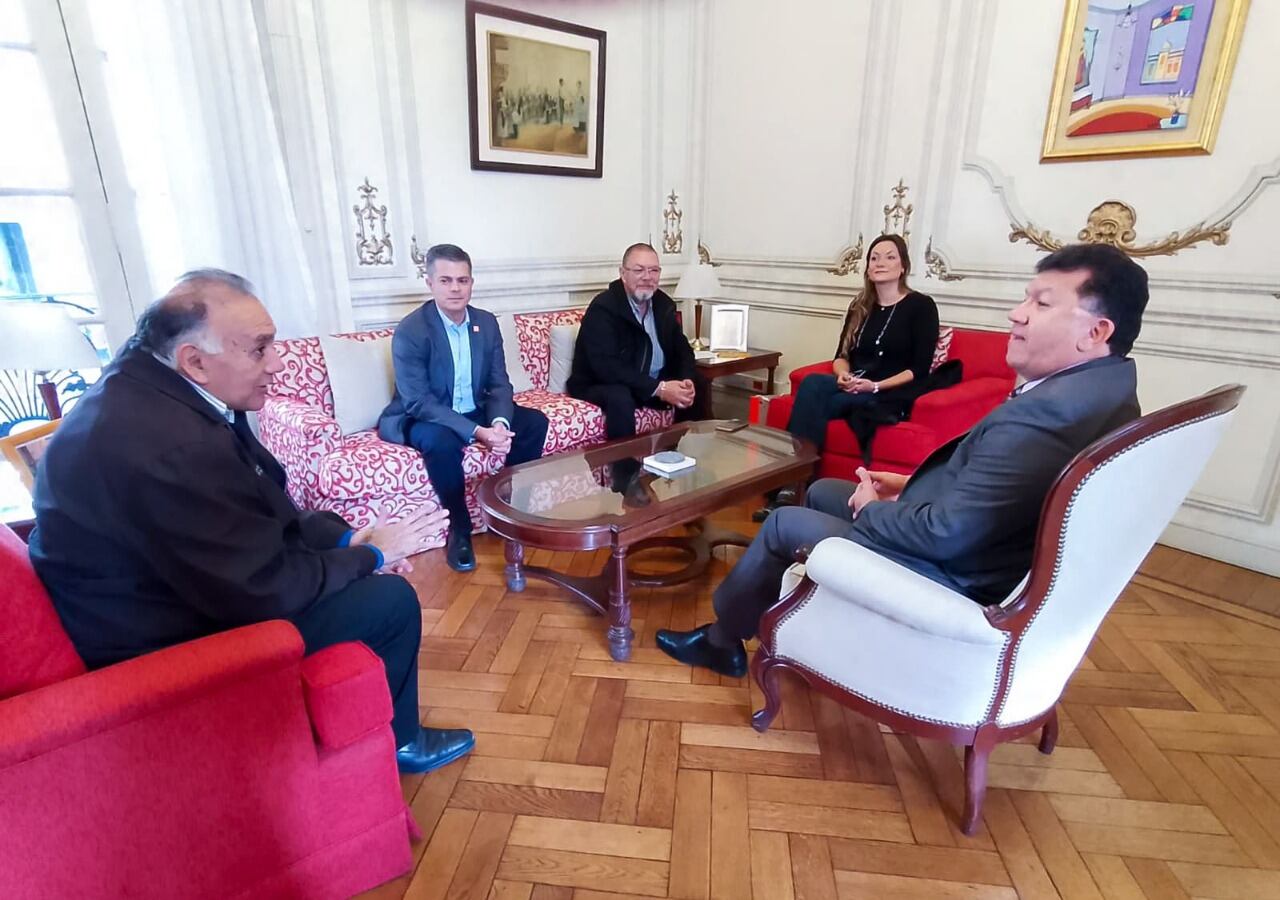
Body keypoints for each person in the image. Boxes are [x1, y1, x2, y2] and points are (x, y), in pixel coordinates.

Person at [28, 269, 474, 773]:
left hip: (177, 586)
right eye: (260, 349)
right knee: (390, 601)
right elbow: (261, 587)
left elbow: (263, 505)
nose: (278, 364)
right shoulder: (174, 446)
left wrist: (350, 539)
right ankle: (403, 743)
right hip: (158, 642)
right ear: (194, 360)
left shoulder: (155, 386)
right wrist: (370, 557)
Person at [656, 243, 1149, 676]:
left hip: (949, 571)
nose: (1016, 315)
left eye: (1040, 304)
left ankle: (723, 642)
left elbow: (945, 533)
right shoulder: (1104, 394)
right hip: (973, 539)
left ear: (1096, 331)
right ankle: (803, 607)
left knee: (785, 523)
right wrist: (910, 484)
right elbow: (992, 493)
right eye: (1025, 298)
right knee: (827, 489)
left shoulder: (1042, 417)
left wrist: (874, 509)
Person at [379, 243, 549, 572]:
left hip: (475, 407)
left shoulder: (485, 323)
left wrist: (498, 422)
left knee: (533, 423)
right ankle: (460, 529)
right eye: (446, 280)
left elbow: (500, 383)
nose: (455, 288)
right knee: (440, 443)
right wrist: (476, 431)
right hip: (427, 415)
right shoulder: (411, 330)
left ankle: (513, 510)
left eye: (463, 280)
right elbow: (418, 400)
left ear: (472, 282)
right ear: (430, 283)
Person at [756, 233, 939, 521]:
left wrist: (875, 385)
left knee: (813, 401)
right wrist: (843, 376)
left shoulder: (921, 306)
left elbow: (918, 369)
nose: (881, 263)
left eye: (890, 257)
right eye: (874, 257)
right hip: (854, 384)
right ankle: (795, 482)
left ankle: (790, 486)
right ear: (867, 267)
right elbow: (840, 356)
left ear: (903, 265)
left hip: (888, 391)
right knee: (815, 384)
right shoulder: (860, 306)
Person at [567, 243, 708, 440]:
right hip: (600, 384)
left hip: (647, 381)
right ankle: (625, 469)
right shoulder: (603, 308)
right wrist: (659, 389)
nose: (647, 277)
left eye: (653, 270)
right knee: (620, 398)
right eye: (639, 270)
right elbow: (606, 367)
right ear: (623, 273)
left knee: (698, 382)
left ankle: (683, 456)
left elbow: (683, 351)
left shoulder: (663, 304)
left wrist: (685, 381)